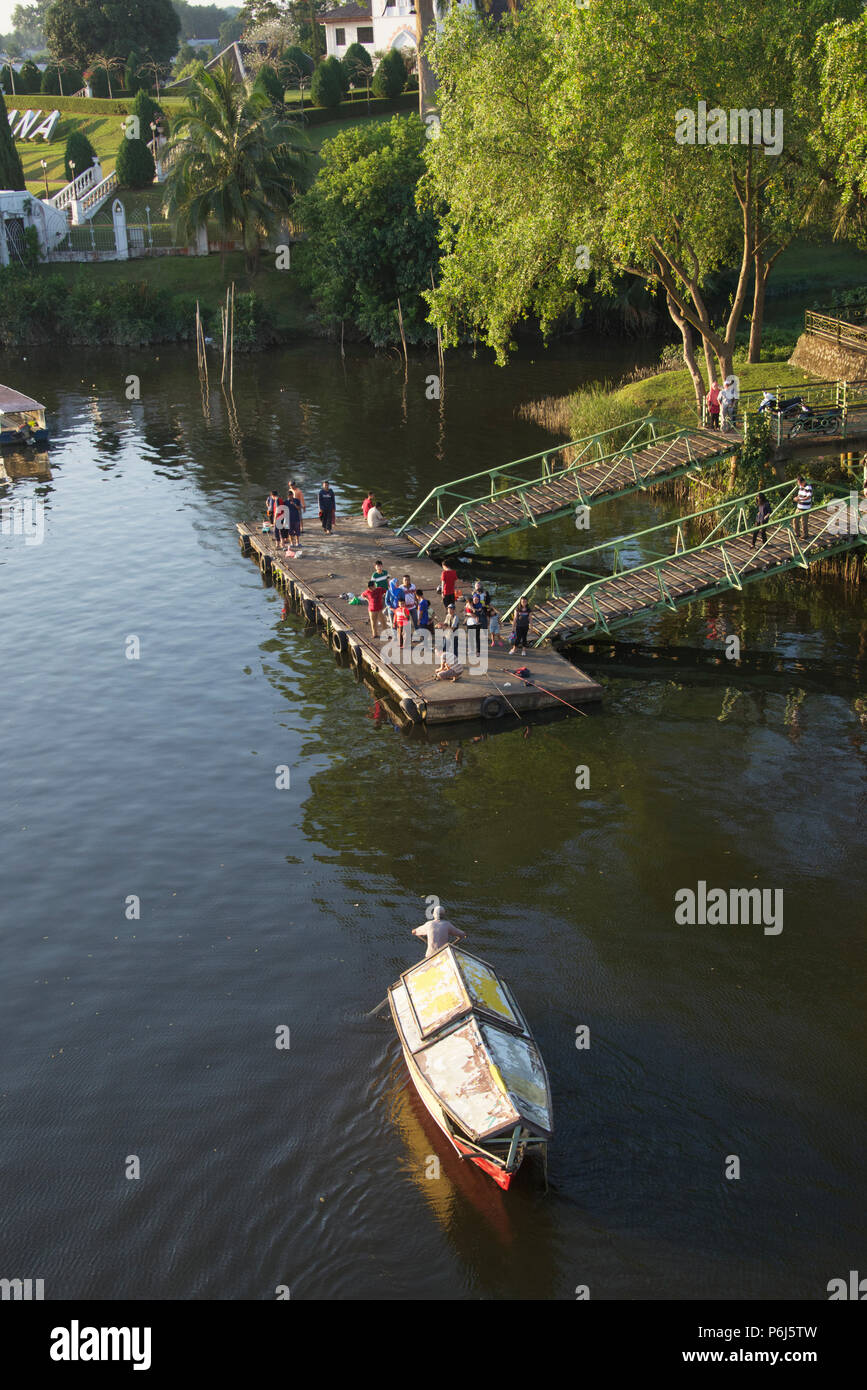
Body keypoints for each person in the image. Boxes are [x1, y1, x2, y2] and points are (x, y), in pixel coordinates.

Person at [794, 475, 812, 540]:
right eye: (799, 484)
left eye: (800, 483)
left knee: (804, 522)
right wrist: (796, 498)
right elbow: (800, 495)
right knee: (795, 520)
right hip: (799, 507)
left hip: (805, 508)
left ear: (803, 481)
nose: (800, 485)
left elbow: (808, 497)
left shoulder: (808, 487)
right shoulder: (801, 487)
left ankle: (805, 535)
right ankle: (797, 533)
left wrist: (800, 499)